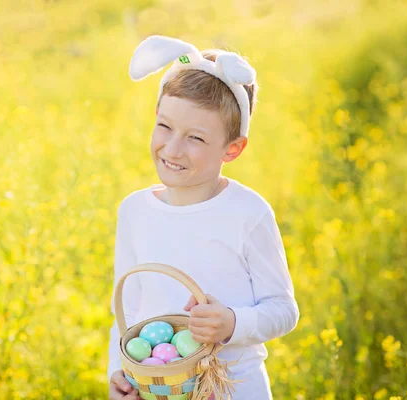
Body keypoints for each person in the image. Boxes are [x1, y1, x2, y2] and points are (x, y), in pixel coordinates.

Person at [107, 35, 300, 400]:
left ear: (232, 148)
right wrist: (119, 372)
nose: (172, 148)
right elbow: (126, 310)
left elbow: (283, 310)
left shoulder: (249, 213)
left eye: (195, 137)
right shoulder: (134, 211)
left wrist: (232, 323)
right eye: (165, 127)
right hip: (157, 390)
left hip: (235, 389)